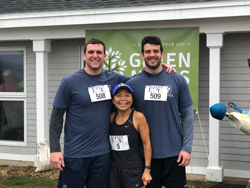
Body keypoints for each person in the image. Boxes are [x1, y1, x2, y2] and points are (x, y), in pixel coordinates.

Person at [49, 38, 174, 188]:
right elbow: (56, 117)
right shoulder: (69, 82)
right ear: (84, 56)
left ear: (104, 56)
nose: (95, 55)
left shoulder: (114, 78)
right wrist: (55, 149)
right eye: (91, 52)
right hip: (76, 154)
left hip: (103, 155)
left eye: (99, 52)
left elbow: (141, 80)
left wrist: (159, 68)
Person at [126, 36, 194, 188]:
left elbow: (188, 115)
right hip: (145, 156)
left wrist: (186, 148)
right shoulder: (132, 84)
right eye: (148, 51)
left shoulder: (177, 79)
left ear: (162, 54)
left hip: (174, 154)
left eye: (156, 51)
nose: (152, 54)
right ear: (142, 55)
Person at [109, 83, 152, 188]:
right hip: (113, 170)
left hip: (133, 170)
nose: (123, 99)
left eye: (127, 95)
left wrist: (147, 169)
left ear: (132, 99)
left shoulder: (138, 117)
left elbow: (147, 144)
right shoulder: (110, 117)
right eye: (118, 95)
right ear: (113, 100)